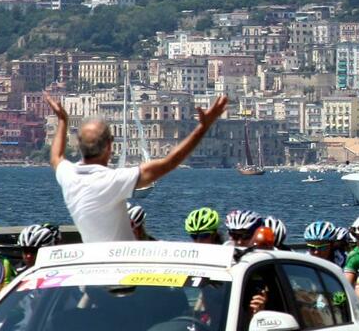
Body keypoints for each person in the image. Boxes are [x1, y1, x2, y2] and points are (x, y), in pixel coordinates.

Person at [46, 93, 227, 243]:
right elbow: (169, 162)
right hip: (122, 276)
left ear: (79, 145)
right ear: (110, 146)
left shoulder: (68, 176)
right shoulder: (113, 180)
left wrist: (62, 120)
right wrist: (203, 127)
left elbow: (56, 157)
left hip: (93, 272)